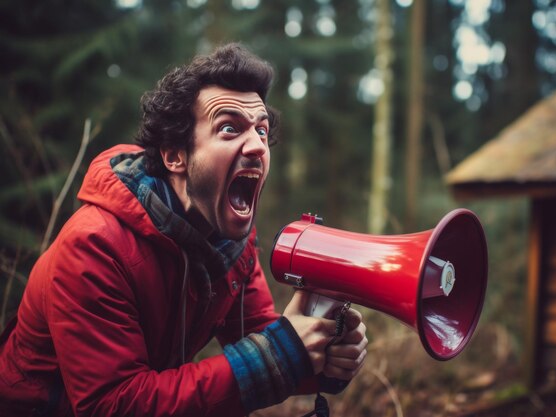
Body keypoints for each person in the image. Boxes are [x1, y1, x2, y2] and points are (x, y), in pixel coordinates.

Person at [0, 43, 367, 417]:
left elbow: (260, 336)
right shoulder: (94, 248)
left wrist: (322, 359)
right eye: (229, 128)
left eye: (261, 130)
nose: (258, 146)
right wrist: (281, 352)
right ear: (175, 155)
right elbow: (111, 405)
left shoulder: (231, 242)